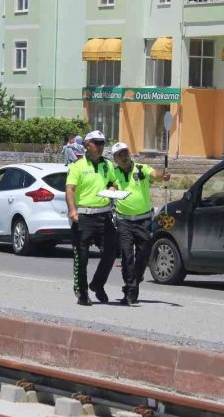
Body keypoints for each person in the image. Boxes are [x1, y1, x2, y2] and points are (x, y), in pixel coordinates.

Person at [110, 142, 170, 305]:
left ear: (129, 154)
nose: (123, 157)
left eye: (125, 153)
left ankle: (135, 279)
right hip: (124, 221)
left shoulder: (141, 169)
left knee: (143, 254)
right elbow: (112, 186)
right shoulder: (114, 172)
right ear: (115, 159)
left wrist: (162, 176)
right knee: (127, 256)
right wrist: (112, 190)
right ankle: (131, 288)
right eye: (120, 155)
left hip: (143, 220)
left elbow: (155, 174)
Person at [65, 130, 118, 306]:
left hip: (103, 215)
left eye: (103, 143)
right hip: (84, 217)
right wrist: (72, 210)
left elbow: (113, 181)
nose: (101, 147)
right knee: (82, 256)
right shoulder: (77, 166)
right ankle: (82, 292)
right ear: (88, 145)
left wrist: (112, 188)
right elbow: (70, 189)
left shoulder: (107, 165)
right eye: (97, 143)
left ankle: (97, 284)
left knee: (111, 252)